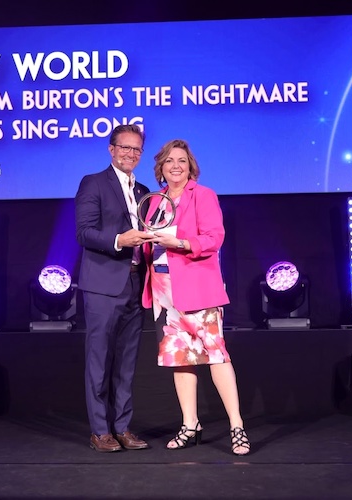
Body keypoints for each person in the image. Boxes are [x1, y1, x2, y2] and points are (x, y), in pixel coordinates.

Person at [141, 139, 250, 456]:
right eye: (169, 161)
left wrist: (180, 243)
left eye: (182, 161)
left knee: (216, 355)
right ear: (161, 167)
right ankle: (190, 424)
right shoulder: (155, 201)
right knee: (180, 357)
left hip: (197, 284)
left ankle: (237, 426)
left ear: (191, 167)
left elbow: (214, 237)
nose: (175, 166)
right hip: (164, 289)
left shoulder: (203, 195)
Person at [74, 124, 156, 453]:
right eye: (125, 147)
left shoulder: (144, 191)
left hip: (136, 282)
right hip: (103, 285)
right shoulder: (93, 182)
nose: (130, 154)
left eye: (136, 149)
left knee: (127, 362)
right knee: (99, 360)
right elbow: (84, 232)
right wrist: (120, 239)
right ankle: (100, 431)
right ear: (111, 149)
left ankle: (122, 427)